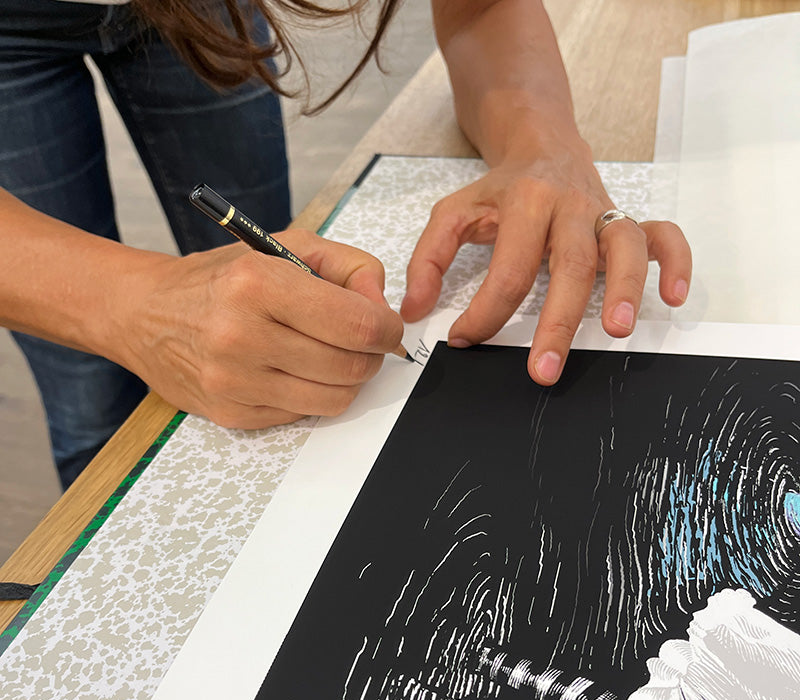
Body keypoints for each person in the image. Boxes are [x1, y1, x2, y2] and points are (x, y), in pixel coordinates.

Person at [0, 0, 692, 491]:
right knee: (89, 394)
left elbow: (481, 7)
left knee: (265, 301)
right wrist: (132, 307)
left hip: (203, 12)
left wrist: (544, 147)